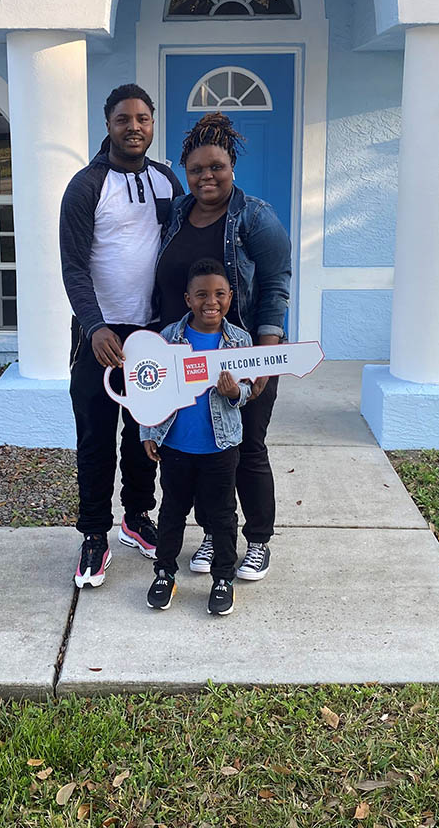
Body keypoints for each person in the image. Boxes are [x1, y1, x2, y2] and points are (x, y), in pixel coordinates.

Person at [153, 113, 291, 582]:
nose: (206, 177)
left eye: (216, 167)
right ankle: (216, 534)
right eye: (196, 170)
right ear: (184, 172)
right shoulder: (176, 212)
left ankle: (257, 542)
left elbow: (275, 284)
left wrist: (265, 359)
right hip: (184, 356)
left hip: (240, 352)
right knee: (207, 450)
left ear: (232, 166)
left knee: (247, 446)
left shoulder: (255, 217)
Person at [60, 84, 184, 588]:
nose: (134, 127)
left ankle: (137, 516)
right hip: (100, 337)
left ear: (153, 125)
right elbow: (73, 267)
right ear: (108, 124)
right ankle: (94, 534)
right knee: (95, 439)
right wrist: (94, 326)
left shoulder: (166, 181)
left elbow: (177, 253)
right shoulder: (87, 186)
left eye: (143, 119)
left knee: (143, 436)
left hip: (151, 336)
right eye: (124, 118)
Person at [141, 258, 252, 616]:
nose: (211, 302)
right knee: (172, 512)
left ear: (230, 297)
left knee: (221, 515)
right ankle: (165, 573)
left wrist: (234, 392)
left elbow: (248, 392)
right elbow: (150, 390)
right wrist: (148, 431)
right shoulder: (167, 338)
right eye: (202, 294)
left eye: (220, 294)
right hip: (175, 445)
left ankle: (223, 578)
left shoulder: (240, 342)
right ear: (188, 298)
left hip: (221, 446)